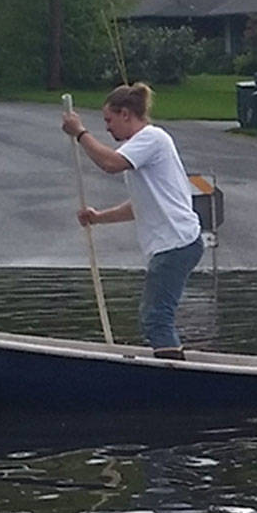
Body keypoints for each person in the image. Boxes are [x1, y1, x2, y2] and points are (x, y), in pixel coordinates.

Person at [62, 83, 203, 359]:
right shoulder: (140, 146)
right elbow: (140, 206)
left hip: (175, 243)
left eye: (109, 120)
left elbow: (111, 164)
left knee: (155, 317)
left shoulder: (152, 138)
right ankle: (172, 364)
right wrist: (98, 217)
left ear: (126, 114)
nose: (107, 128)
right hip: (175, 243)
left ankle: (173, 380)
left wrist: (80, 133)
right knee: (154, 315)